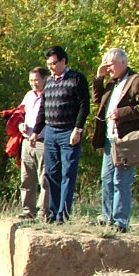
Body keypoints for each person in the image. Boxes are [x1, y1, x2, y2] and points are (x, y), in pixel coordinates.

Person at [92, 47, 139, 233]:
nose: (108, 68)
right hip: (110, 138)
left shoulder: (136, 81)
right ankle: (106, 216)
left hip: (126, 140)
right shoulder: (113, 82)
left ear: (123, 63)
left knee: (121, 180)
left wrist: (121, 113)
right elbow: (98, 101)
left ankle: (120, 221)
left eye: (110, 65)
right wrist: (98, 78)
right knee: (106, 178)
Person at [39, 46, 90, 223]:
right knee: (52, 173)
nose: (51, 67)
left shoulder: (76, 79)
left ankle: (63, 214)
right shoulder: (49, 82)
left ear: (63, 61)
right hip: (51, 131)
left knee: (68, 172)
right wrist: (36, 131)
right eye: (49, 64)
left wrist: (78, 129)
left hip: (69, 131)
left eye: (54, 63)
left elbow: (84, 105)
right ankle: (53, 213)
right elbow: (43, 108)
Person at [17, 66, 48, 220]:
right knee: (26, 178)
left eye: (36, 80)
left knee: (44, 179)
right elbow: (20, 114)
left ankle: (44, 211)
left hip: (43, 141)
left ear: (44, 79)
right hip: (27, 141)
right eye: (31, 80)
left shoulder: (49, 94)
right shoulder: (29, 95)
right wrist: (20, 125)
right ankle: (28, 210)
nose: (34, 83)